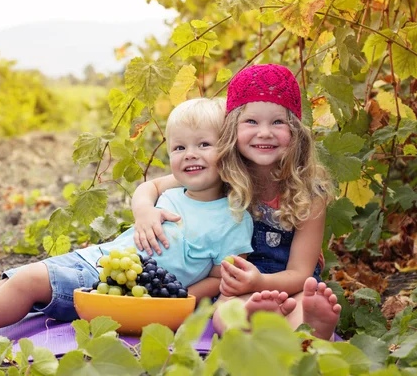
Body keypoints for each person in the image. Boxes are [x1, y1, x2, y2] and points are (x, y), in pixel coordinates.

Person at [0, 98, 254, 348]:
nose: (190, 155)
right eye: (178, 148)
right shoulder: (175, 187)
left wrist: (175, 298)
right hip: (96, 259)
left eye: (204, 145)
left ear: (228, 151)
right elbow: (148, 187)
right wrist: (143, 210)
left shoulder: (233, 218)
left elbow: (222, 278)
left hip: (111, 290)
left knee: (26, 282)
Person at [131, 64, 342, 340]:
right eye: (251, 122)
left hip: (291, 283)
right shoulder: (221, 171)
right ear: (232, 128)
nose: (264, 132)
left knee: (304, 298)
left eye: (277, 122)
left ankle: (310, 326)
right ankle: (262, 322)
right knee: (226, 315)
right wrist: (145, 210)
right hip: (236, 289)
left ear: (296, 131)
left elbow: (301, 272)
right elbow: (153, 185)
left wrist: (262, 282)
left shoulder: (309, 193)